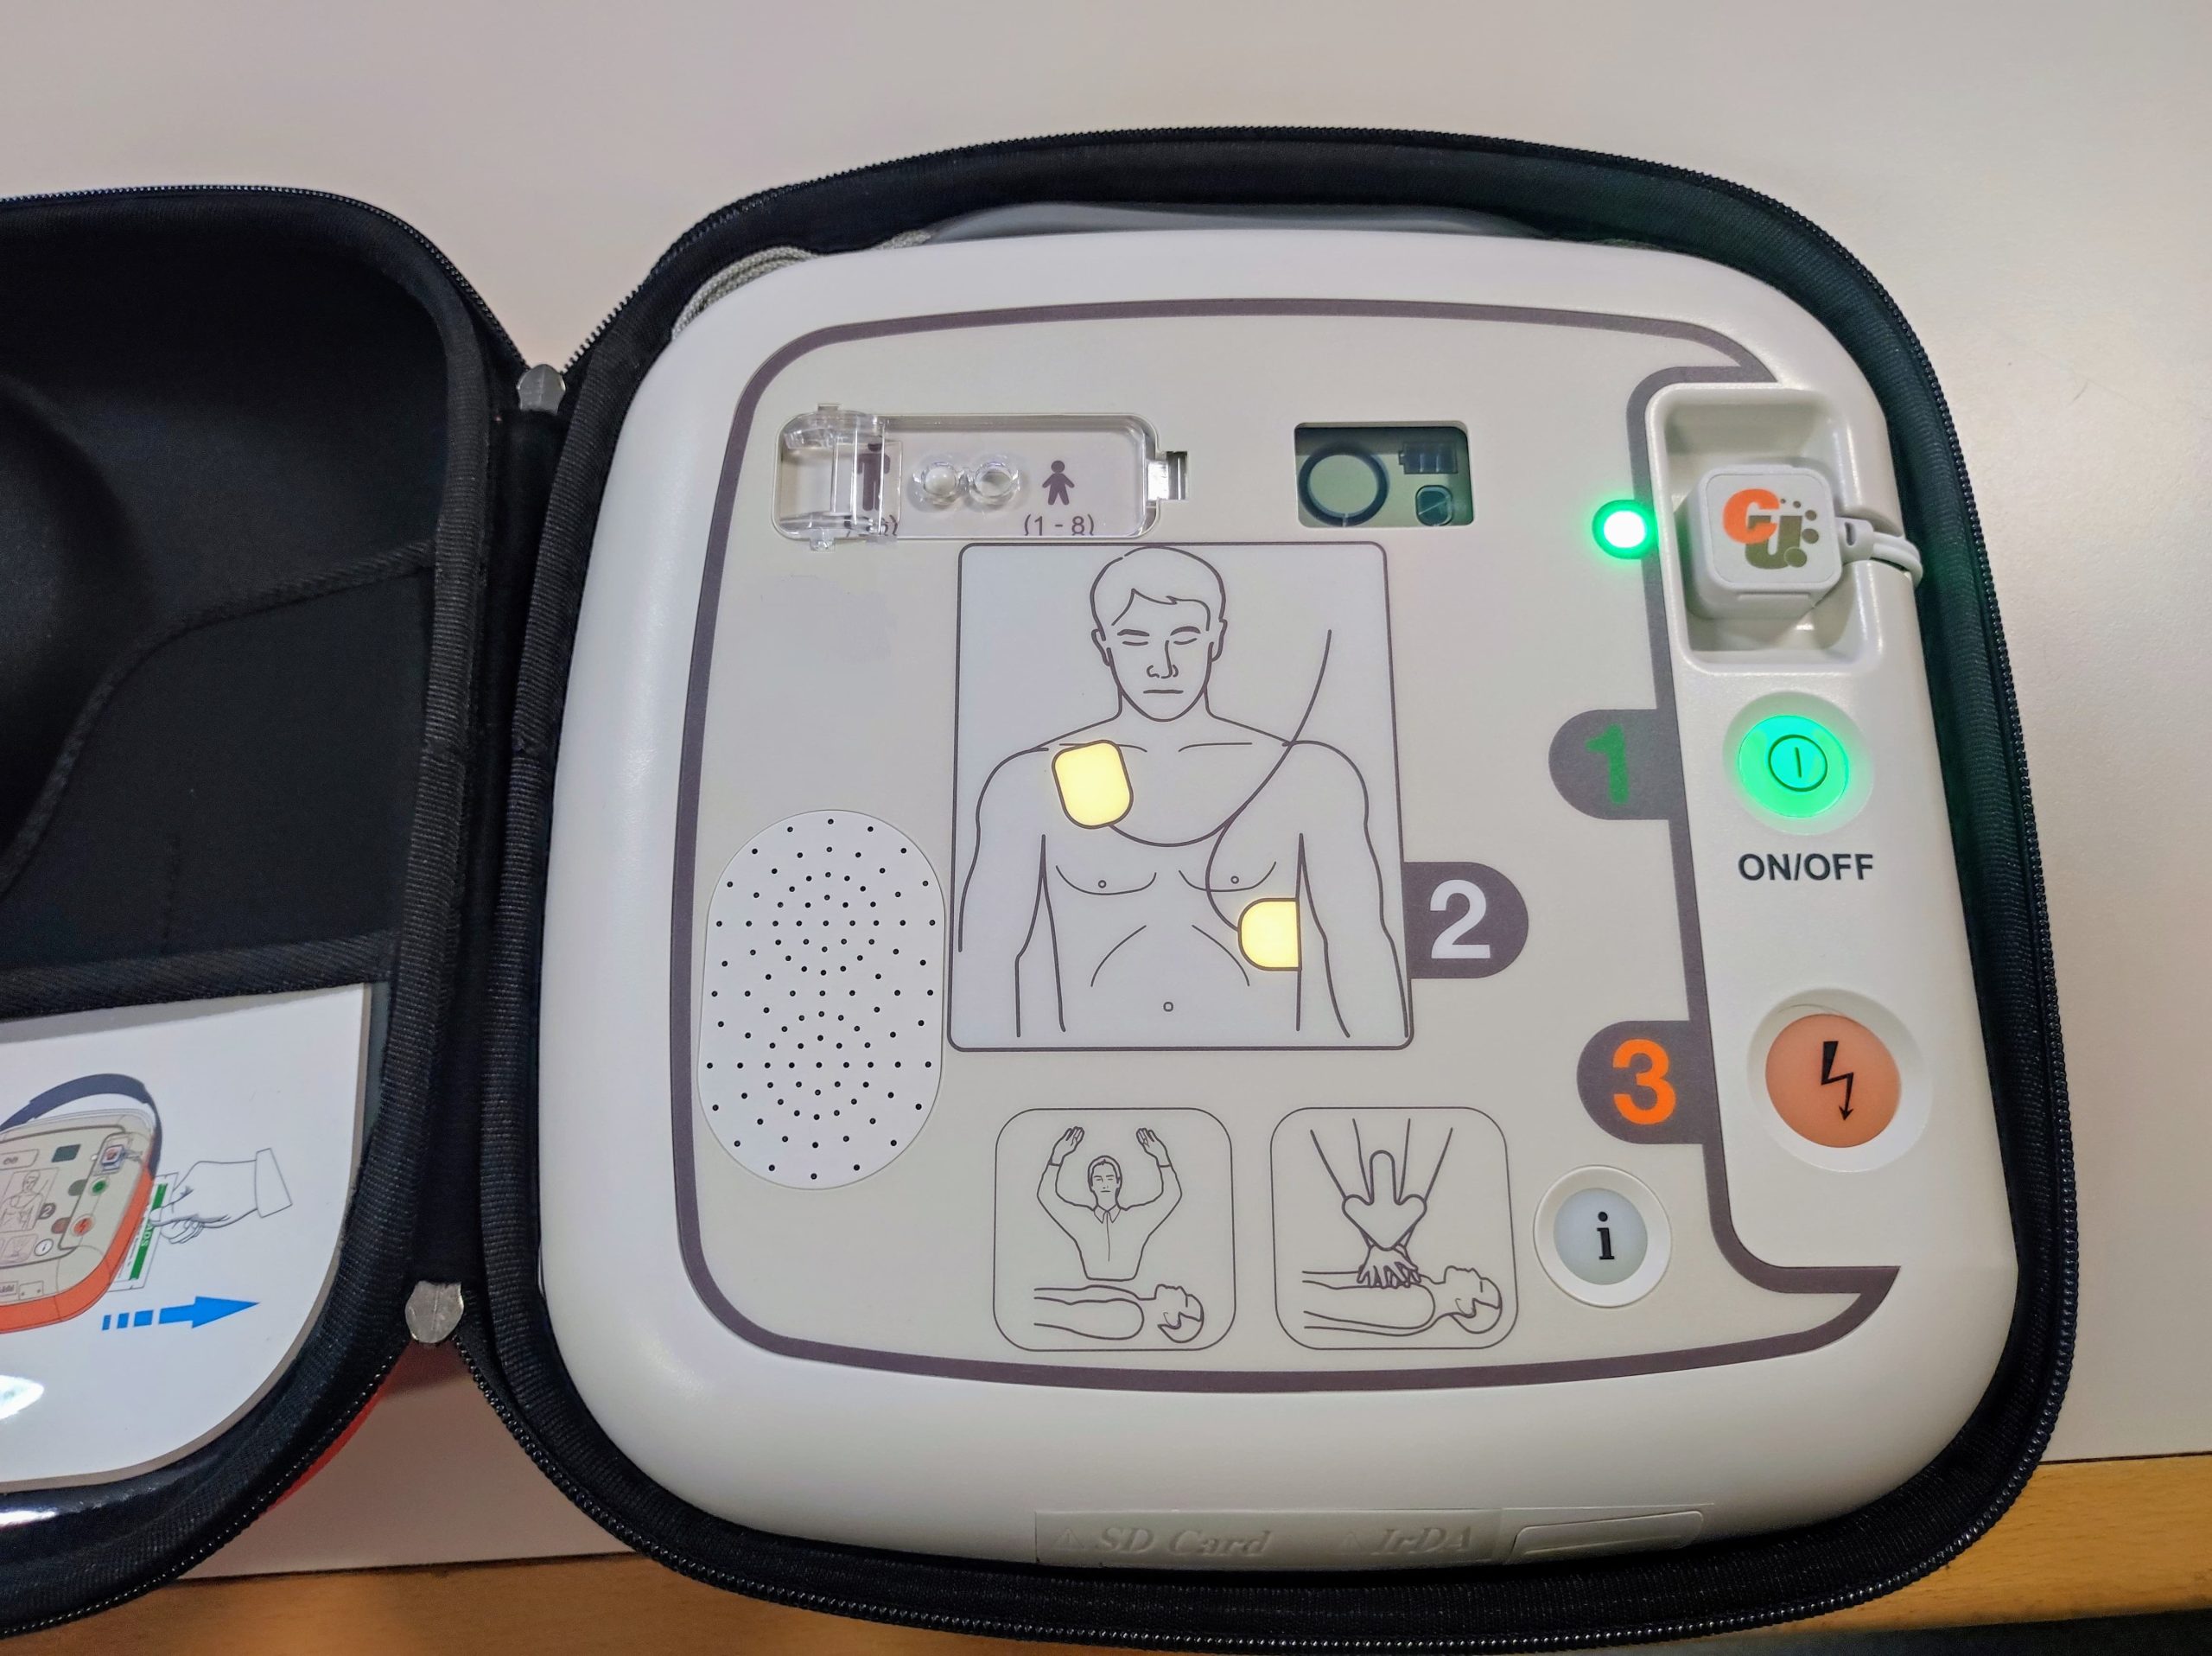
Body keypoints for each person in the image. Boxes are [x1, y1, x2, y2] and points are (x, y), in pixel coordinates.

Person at [957, 545, 1406, 1047]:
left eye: (1185, 638)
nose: (1163, 666)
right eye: (1135, 639)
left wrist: (1389, 1075)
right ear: (1103, 645)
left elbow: (1358, 943)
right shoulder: (1028, 783)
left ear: (1217, 639)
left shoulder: (1307, 775)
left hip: (1263, 1070)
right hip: (1093, 1072)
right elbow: (987, 959)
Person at [1034, 1125, 1179, 1282]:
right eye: (1099, 1179)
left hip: (1129, 1285)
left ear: (1118, 1182)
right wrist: (1057, 1157)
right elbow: (1046, 1196)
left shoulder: (1136, 1219)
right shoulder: (1081, 1220)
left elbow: (1171, 1196)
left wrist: (1162, 1158)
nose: (1105, 1184)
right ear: (1091, 1185)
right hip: (1092, 1286)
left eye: (1110, 1178)